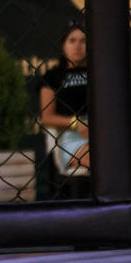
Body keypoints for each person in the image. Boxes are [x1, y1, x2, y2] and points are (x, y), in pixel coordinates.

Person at [40, 24, 89, 171]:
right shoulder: (52, 76)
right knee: (103, 157)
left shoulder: (99, 73)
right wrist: (75, 122)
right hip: (71, 138)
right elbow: (46, 118)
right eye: (72, 41)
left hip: (103, 134)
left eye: (83, 41)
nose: (78, 46)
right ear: (63, 46)